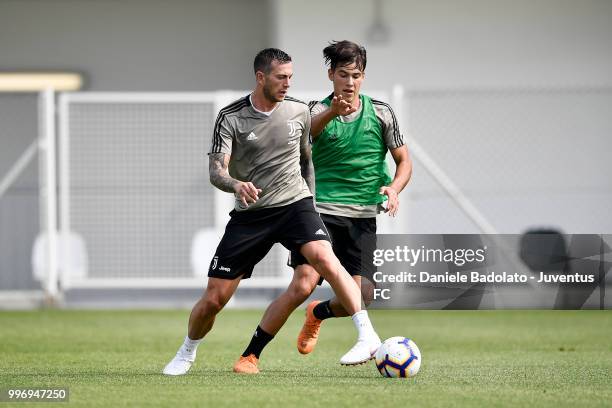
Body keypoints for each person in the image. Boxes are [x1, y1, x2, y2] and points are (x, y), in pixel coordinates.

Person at [163, 48, 382, 376]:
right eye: (281, 77)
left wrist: (309, 198)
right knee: (214, 299)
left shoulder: (298, 111)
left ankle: (367, 334)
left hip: (296, 206)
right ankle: (187, 350)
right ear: (261, 77)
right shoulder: (231, 117)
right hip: (252, 214)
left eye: (291, 77)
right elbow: (216, 171)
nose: (287, 84)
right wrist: (236, 185)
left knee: (325, 258)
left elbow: (306, 158)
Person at [236, 41, 412, 373]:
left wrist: (394, 188)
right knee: (302, 284)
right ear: (331, 74)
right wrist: (334, 112)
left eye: (356, 75)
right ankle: (250, 355)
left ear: (363, 77)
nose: (350, 82)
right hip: (319, 211)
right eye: (343, 74)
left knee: (365, 295)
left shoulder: (382, 112)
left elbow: (404, 162)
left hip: (362, 217)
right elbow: (305, 137)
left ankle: (318, 314)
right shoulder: (315, 109)